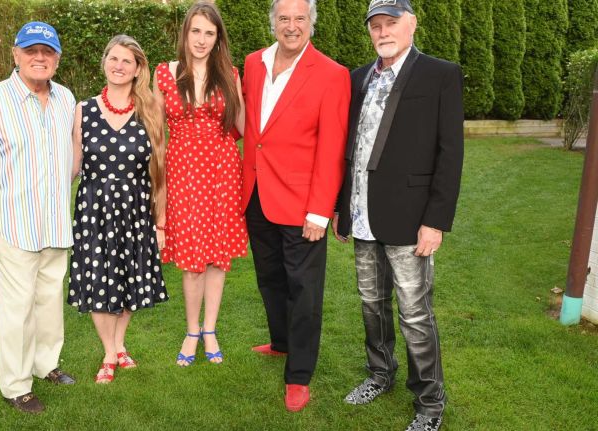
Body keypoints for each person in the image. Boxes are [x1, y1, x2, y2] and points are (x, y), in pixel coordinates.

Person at [332, 1, 464, 430]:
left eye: (391, 23)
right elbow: (346, 148)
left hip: (411, 218)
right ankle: (379, 374)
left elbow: (450, 153)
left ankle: (430, 402)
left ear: (412, 24)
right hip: (363, 211)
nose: (383, 32)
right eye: (376, 25)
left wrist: (436, 220)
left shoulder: (440, 74)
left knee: (414, 312)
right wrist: (340, 206)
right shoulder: (357, 79)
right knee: (372, 304)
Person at [0, 21, 76, 414]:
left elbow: (68, 159)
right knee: (17, 309)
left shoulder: (64, 99)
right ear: (15, 55)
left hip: (55, 223)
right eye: (31, 51)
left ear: (57, 59)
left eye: (47, 52)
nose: (39, 58)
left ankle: (46, 365)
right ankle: (16, 385)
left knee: (48, 301)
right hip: (12, 225)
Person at [242, 0, 350, 412]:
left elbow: (332, 146)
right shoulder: (253, 63)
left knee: (304, 290)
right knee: (269, 279)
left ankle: (300, 374)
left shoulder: (331, 74)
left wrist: (320, 210)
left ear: (311, 24)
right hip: (256, 194)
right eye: (284, 19)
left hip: (304, 203)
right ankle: (282, 343)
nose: (291, 26)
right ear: (273, 24)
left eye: (299, 19)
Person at [68, 34, 168, 384]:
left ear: (138, 67)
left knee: (129, 280)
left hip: (136, 211)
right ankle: (110, 353)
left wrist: (161, 224)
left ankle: (119, 344)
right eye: (114, 58)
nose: (119, 65)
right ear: (104, 61)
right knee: (98, 280)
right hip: (94, 210)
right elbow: (74, 165)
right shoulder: (84, 110)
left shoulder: (150, 109)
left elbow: (160, 174)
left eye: (127, 60)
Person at [153, 0, 248, 367]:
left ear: (217, 37)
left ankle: (211, 329)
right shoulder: (165, 73)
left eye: (210, 33)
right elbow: (157, 135)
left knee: (217, 259)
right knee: (192, 258)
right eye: (196, 31)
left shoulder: (229, 74)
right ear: (186, 32)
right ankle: (192, 330)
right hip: (183, 173)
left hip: (222, 173)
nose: (202, 39)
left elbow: (241, 125)